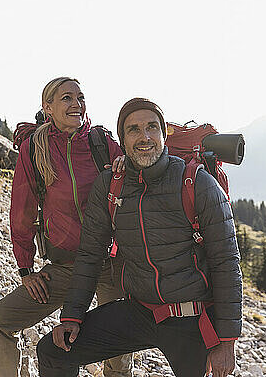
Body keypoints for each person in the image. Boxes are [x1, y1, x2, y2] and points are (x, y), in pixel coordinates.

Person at [36, 98, 243, 377]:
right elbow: (90, 255)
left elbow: (226, 263)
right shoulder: (111, 185)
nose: (144, 137)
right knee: (53, 351)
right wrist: (72, 316)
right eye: (133, 129)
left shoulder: (197, 182)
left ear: (163, 134)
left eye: (151, 127)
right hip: (139, 311)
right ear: (122, 140)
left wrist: (227, 342)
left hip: (190, 317)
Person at [0, 78, 132, 377]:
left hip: (111, 263)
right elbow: (22, 212)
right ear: (47, 107)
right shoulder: (34, 149)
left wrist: (124, 167)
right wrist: (26, 270)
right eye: (67, 98)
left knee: (118, 356)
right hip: (66, 266)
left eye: (81, 97)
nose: (77, 104)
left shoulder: (102, 143)